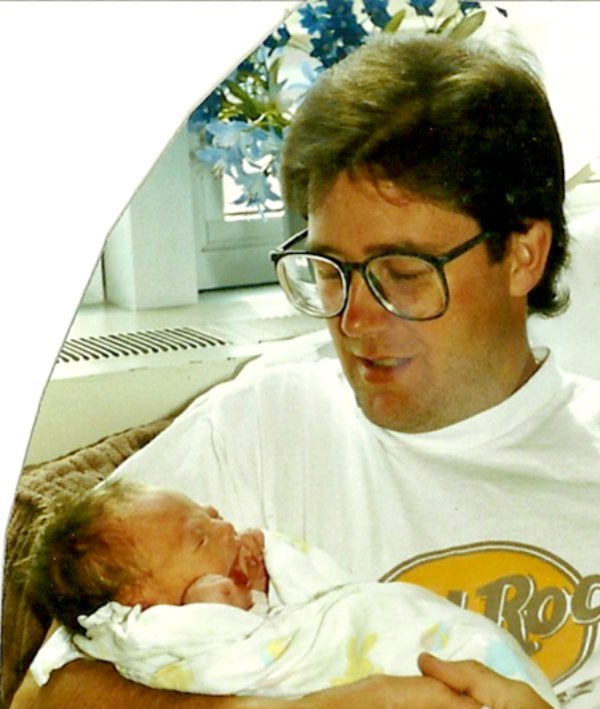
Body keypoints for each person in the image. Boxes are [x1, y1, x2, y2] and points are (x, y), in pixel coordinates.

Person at [12, 31, 600, 708]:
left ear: (524, 255)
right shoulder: (261, 426)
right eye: (330, 269)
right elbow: (42, 697)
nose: (353, 319)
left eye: (402, 272)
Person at [27, 481, 558, 706]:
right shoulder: (146, 634)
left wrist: (271, 565)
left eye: (211, 514)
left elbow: (324, 592)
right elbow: (40, 695)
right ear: (139, 596)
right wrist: (219, 599)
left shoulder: (167, 567)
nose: (224, 525)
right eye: (200, 536)